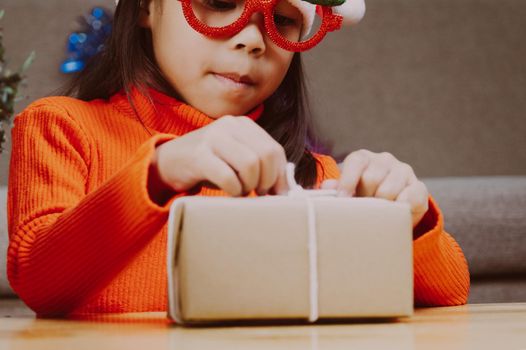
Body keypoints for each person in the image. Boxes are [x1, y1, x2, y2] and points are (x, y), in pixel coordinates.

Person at [6, 0, 469, 317]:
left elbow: (451, 295)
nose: (252, 39)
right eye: (220, 1)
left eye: (283, 19)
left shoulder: (316, 177)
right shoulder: (61, 127)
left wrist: (410, 219)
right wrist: (161, 171)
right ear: (147, 6)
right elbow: (40, 280)